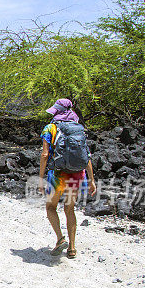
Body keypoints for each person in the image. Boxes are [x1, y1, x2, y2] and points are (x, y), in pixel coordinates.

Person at [37, 98, 97, 258]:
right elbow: (86, 156)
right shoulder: (79, 129)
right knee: (69, 209)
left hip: (57, 175)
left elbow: (45, 154)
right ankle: (72, 248)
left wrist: (41, 178)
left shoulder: (50, 128)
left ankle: (60, 238)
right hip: (77, 175)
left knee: (51, 207)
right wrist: (91, 180)